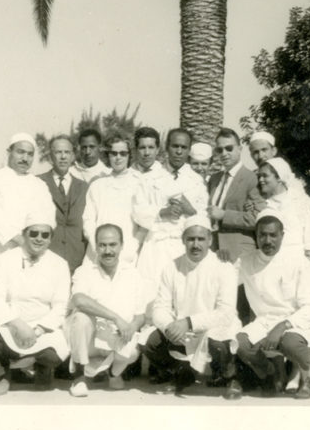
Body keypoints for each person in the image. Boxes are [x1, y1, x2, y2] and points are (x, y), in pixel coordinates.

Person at [143, 216, 241, 398]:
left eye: (201, 239)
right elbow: (160, 307)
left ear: (210, 240)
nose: (196, 245)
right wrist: (169, 327)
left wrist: (189, 322)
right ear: (183, 240)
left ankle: (228, 377)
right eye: (191, 239)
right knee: (151, 343)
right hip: (183, 332)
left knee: (218, 342)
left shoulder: (223, 267)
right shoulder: (172, 267)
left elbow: (226, 313)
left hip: (213, 328)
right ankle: (180, 373)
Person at [0, 212, 70, 395]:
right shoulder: (5, 260)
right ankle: (1, 374)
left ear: (50, 239)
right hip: (11, 324)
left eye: (45, 235)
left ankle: (42, 367)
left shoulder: (60, 264)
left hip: (43, 328)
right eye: (34, 233)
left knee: (54, 354)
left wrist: (38, 330)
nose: (39, 239)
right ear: (24, 234)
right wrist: (17, 324)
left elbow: (60, 306)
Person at [234, 210, 310, 399]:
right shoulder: (246, 261)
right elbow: (224, 278)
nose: (268, 241)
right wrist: (220, 257)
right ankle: (271, 373)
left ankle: (307, 377)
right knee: (240, 344)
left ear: (282, 236)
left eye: (273, 235)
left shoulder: (299, 262)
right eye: (262, 235)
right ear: (256, 236)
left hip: (297, 321)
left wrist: (283, 326)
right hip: (265, 321)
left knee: (290, 343)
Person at [0, 133, 54, 320]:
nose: (25, 158)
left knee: (26, 309)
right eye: (20, 152)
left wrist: (33, 244)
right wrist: (22, 241)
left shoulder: (39, 185)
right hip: (1, 250)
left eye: (30, 154)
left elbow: (47, 218)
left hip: (31, 255)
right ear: (9, 152)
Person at [66, 224, 146, 397]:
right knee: (80, 318)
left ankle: (113, 373)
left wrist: (132, 327)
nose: (108, 250)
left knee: (132, 351)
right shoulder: (85, 271)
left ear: (122, 245)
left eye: (113, 245)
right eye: (102, 245)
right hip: (90, 341)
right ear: (96, 246)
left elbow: (140, 315)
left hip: (117, 339)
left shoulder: (133, 274)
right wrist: (116, 318)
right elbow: (78, 300)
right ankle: (79, 378)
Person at [133, 128, 208, 311]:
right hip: (156, 245)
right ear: (166, 147)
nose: (179, 151)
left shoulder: (197, 181)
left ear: (189, 150)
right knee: (151, 298)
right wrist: (162, 212)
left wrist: (190, 210)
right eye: (175, 146)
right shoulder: (149, 179)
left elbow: (205, 219)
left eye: (184, 147)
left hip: (183, 246)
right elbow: (137, 211)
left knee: (182, 297)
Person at [82, 134, 144, 265]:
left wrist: (132, 248)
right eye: (114, 153)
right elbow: (88, 220)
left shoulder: (139, 183)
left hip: (128, 252)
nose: (118, 158)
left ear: (129, 155)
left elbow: (144, 223)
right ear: (107, 156)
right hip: (98, 252)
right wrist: (97, 247)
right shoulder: (97, 185)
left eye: (123, 153)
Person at [245, 157, 310, 264]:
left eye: (265, 176)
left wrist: (309, 259)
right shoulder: (262, 204)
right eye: (259, 176)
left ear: (279, 177)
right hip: (270, 261)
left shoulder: (300, 199)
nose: (260, 180)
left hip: (298, 259)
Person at [38, 135, 88, 274]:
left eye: (67, 152)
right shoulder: (37, 183)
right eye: (58, 152)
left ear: (73, 156)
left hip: (77, 261)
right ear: (50, 156)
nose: (63, 157)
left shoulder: (84, 187)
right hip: (46, 259)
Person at [206, 128, 258, 260]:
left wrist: (224, 215)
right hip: (213, 249)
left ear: (240, 149)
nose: (224, 153)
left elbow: (256, 218)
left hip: (239, 252)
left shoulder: (251, 178)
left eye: (229, 148)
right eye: (220, 150)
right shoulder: (214, 179)